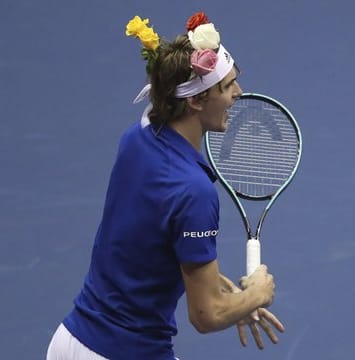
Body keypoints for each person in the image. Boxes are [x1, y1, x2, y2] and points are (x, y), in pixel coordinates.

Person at [46, 12, 285, 360]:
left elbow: (151, 238)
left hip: (69, 342)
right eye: (226, 86)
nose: (238, 94)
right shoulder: (194, 192)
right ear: (196, 100)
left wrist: (220, 286)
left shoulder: (138, 137)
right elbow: (206, 316)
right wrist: (257, 294)